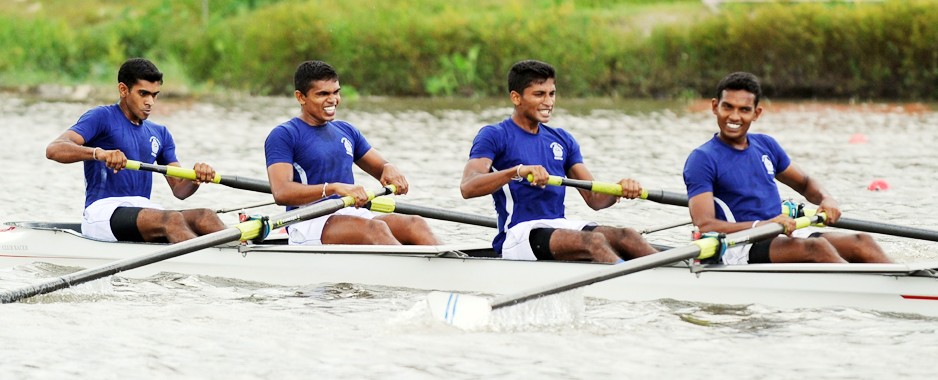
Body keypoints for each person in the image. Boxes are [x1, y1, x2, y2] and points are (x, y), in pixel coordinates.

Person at [683, 71, 892, 264]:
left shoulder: (766, 145)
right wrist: (760, 226)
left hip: (781, 234)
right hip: (739, 244)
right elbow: (705, 225)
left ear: (756, 113)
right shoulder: (702, 159)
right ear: (714, 107)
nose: (735, 117)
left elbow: (806, 183)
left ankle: (908, 285)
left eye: (744, 110)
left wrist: (826, 199)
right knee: (817, 247)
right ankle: (868, 294)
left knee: (862, 242)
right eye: (727, 107)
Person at [460, 59, 658, 263]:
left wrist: (619, 189)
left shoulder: (562, 139)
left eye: (552, 93)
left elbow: (595, 199)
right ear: (516, 98)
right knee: (594, 242)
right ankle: (628, 283)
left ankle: (677, 274)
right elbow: (468, 187)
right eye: (539, 94)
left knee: (629, 236)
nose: (549, 102)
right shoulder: (494, 135)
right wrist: (516, 172)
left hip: (558, 228)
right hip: (519, 234)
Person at [46, 58, 227, 243]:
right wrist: (98, 153)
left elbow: (180, 189)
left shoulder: (160, 133)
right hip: (103, 212)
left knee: (206, 216)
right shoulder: (101, 117)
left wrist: (196, 178)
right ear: (123, 90)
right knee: (172, 219)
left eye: (155, 95)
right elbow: (54, 149)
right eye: (143, 94)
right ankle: (203, 265)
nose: (150, 102)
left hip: (144, 211)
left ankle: (239, 260)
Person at [264, 60, 440, 246]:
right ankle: (408, 273)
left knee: (415, 223)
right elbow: (281, 192)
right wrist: (333, 188)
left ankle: (450, 267)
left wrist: (389, 168)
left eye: (336, 92)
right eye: (322, 94)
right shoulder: (284, 135)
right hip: (309, 220)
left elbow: (381, 167)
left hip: (350, 213)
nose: (332, 100)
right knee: (376, 229)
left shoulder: (346, 130)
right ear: (301, 97)